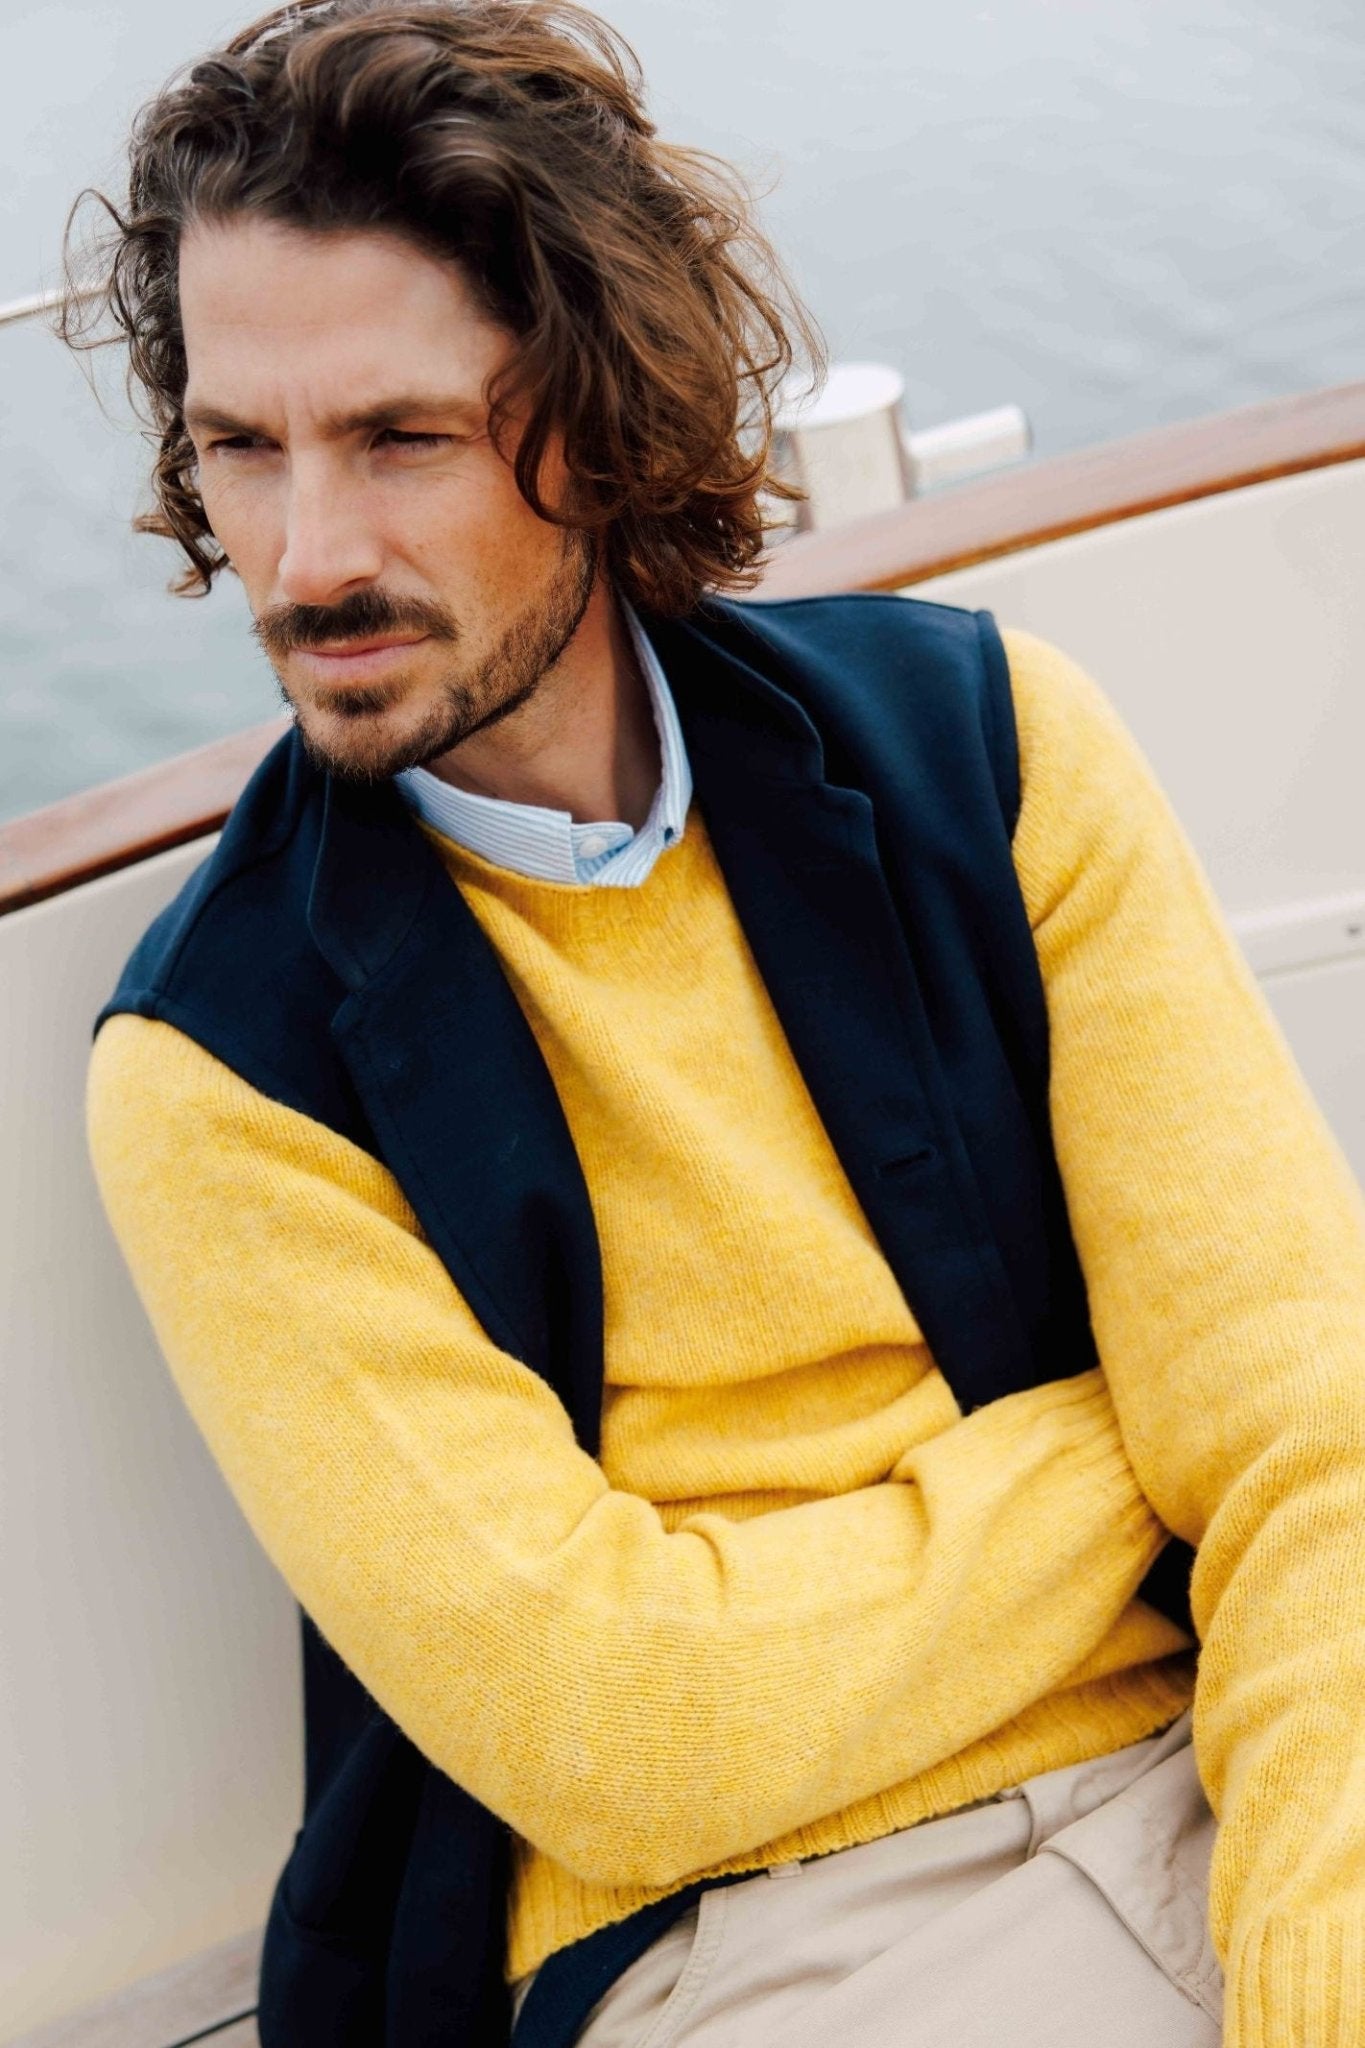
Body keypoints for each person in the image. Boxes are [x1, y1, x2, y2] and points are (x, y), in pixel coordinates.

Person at [75, 3, 1365, 2044]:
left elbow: (1317, 1467)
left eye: (395, 438)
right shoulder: (221, 1064)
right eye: (244, 447)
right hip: (743, 1924)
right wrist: (1145, 1449)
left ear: (588, 416)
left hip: (1233, 1730)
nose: (304, 556)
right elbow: (628, 1733)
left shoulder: (988, 749)